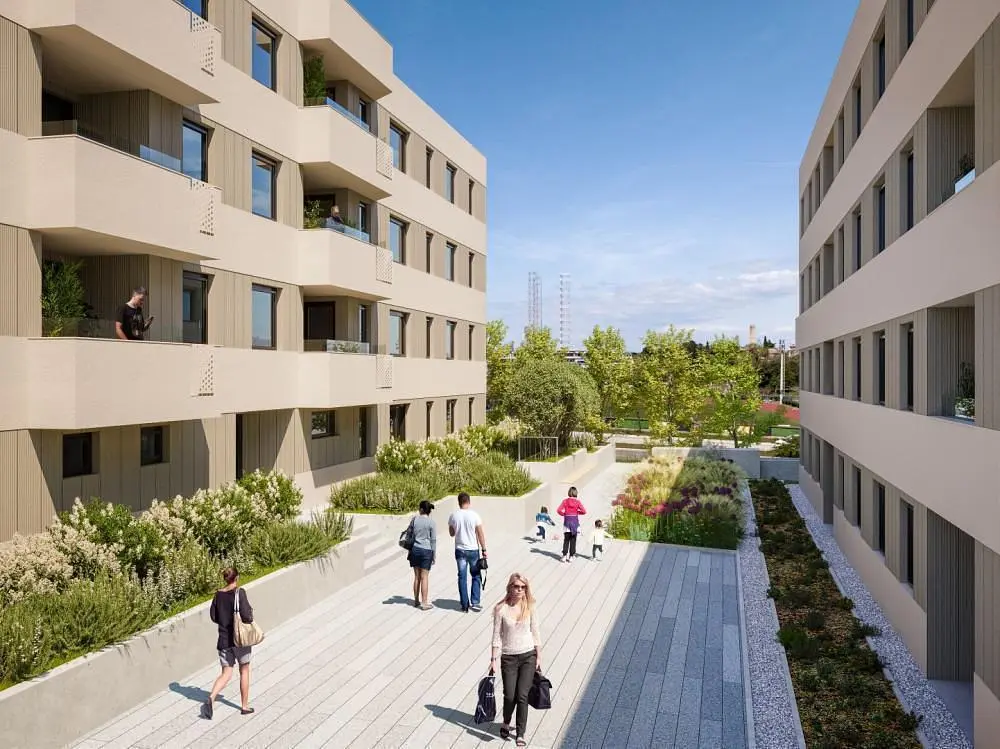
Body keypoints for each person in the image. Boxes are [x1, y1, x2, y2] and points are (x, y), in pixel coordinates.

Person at [490, 573, 542, 747]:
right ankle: (506, 721)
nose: (519, 590)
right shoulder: (501, 609)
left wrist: (539, 655)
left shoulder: (530, 607)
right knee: (509, 695)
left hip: (528, 655)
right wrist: (493, 659)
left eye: (523, 587)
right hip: (509, 657)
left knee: (522, 696)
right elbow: (497, 636)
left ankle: (520, 733)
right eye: (516, 586)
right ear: (510, 587)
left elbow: (535, 632)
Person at [203, 567, 255, 719]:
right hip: (240, 639)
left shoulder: (218, 594)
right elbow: (246, 616)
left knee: (226, 673)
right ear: (236, 577)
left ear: (225, 579)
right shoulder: (240, 593)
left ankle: (211, 697)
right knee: (244, 670)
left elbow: (214, 616)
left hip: (224, 639)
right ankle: (244, 706)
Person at [448, 492, 488, 613]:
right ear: (469, 502)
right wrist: (484, 549)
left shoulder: (453, 516)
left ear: (459, 502)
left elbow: (451, 533)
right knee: (475, 575)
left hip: (460, 550)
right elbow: (480, 533)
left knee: (462, 577)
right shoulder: (475, 515)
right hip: (473, 550)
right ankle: (475, 602)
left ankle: (464, 605)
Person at [408, 500, 436, 610]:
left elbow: (410, 535)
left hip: (415, 549)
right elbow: (433, 540)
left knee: (416, 577)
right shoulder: (431, 523)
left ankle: (415, 600)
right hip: (426, 551)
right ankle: (424, 603)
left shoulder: (414, 520)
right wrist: (433, 555)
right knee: (424, 577)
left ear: (421, 509)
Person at [556, 486, 587, 563]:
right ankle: (571, 556)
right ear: (576, 493)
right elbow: (584, 511)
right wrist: (577, 512)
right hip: (575, 524)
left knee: (566, 540)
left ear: (569, 492)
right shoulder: (578, 502)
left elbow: (558, 510)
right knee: (573, 540)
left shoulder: (565, 501)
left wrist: (564, 514)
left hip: (567, 523)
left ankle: (564, 556)